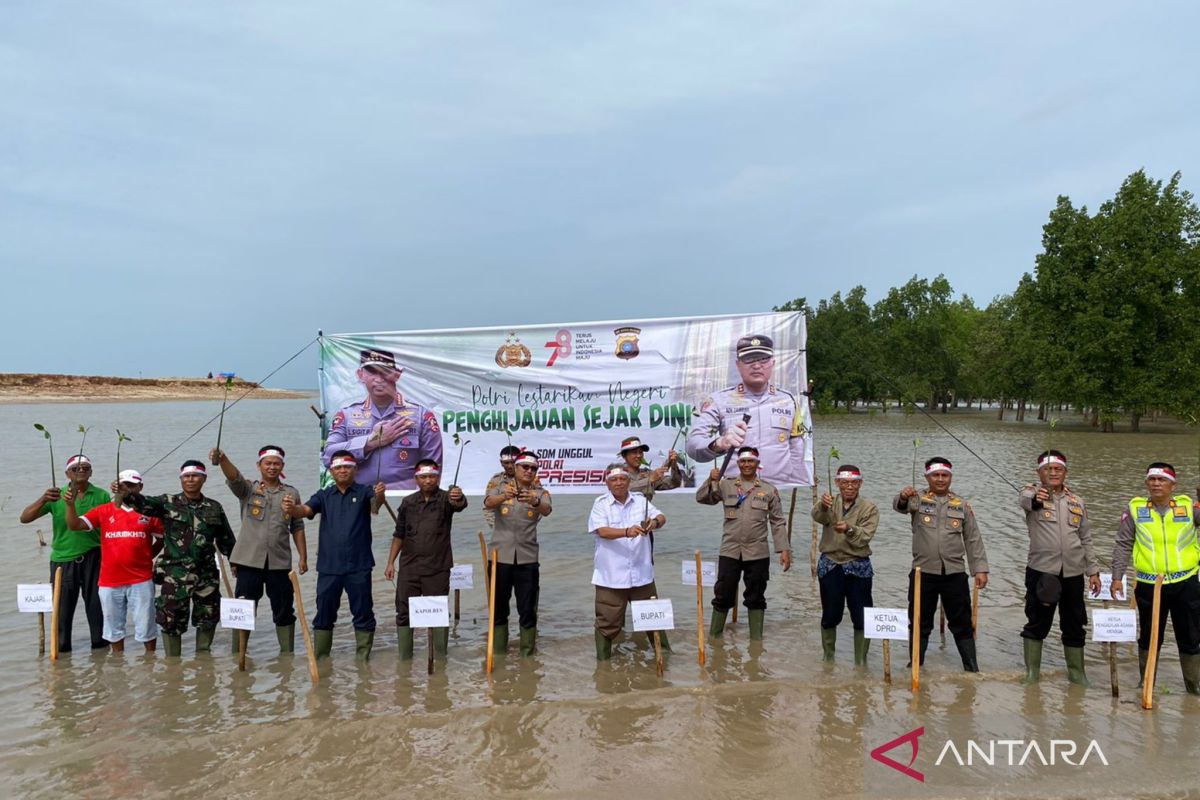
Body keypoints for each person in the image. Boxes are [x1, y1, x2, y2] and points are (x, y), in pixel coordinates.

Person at [124, 460, 237, 657]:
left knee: (208, 617)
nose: (191, 479)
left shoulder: (214, 507)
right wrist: (126, 494)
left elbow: (226, 539)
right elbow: (142, 504)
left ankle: (203, 660)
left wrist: (235, 562)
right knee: (171, 619)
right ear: (181, 479)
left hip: (206, 573)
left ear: (204, 479)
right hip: (175, 574)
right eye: (186, 476)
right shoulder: (167, 502)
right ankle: (172, 665)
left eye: (195, 476)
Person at [283, 451, 385, 661]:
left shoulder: (365, 492)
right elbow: (305, 510)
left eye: (347, 467)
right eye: (338, 467)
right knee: (324, 614)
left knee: (363, 612)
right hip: (329, 567)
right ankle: (321, 660)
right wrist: (292, 509)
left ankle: (363, 660)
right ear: (331, 471)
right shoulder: (324, 495)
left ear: (355, 469)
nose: (343, 470)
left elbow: (375, 508)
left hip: (359, 565)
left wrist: (380, 495)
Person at [1111, 462, 1200, 695]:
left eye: (1162, 480)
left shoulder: (1189, 507)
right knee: (1150, 635)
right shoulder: (1135, 508)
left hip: (1186, 583)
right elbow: (1123, 544)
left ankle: (1193, 686)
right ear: (1146, 483)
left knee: (1190, 635)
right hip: (1150, 584)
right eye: (1152, 480)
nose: (1156, 484)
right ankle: (1146, 681)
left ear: (1173, 484)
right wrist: (1117, 577)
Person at [894, 457, 989, 672]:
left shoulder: (961, 504)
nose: (940, 479)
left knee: (962, 622)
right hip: (922, 572)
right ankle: (916, 665)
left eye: (944, 475)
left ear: (950, 478)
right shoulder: (916, 499)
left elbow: (973, 538)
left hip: (954, 573)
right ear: (927, 477)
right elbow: (899, 506)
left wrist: (980, 569)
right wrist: (902, 496)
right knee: (919, 621)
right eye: (935, 475)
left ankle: (971, 668)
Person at [211, 445, 307, 655]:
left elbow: (297, 526)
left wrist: (303, 558)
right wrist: (223, 458)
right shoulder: (249, 489)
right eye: (268, 463)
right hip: (248, 563)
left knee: (284, 611)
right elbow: (234, 477)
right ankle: (240, 656)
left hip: (279, 563)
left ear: (282, 466)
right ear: (259, 465)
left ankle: (286, 658)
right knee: (244, 612)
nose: (272, 467)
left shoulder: (291, 493)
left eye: (276, 463)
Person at [1018, 450, 1100, 686]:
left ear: (1065, 472)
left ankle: (1077, 674)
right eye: (1048, 469)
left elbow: (1086, 538)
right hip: (1043, 571)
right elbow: (1026, 501)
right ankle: (1032, 673)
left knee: (1075, 623)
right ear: (1039, 472)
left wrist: (1093, 571)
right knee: (1037, 622)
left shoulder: (1077, 501)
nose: (1053, 473)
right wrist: (1037, 497)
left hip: (1073, 573)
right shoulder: (1032, 493)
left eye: (1058, 469)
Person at [685, 334, 811, 485]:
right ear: (738, 364)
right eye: (748, 359)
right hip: (737, 491)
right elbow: (693, 446)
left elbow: (797, 450)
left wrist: (799, 483)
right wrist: (720, 443)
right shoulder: (719, 401)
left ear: (773, 363)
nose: (756, 365)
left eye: (763, 359)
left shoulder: (789, 400)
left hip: (780, 489)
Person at [62, 469, 163, 653]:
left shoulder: (150, 512)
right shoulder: (104, 509)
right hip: (110, 581)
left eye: (131, 485)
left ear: (140, 487)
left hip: (141, 579)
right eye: (123, 485)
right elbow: (74, 525)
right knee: (113, 629)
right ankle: (118, 664)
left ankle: (150, 663)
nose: (126, 489)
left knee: (146, 627)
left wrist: (149, 556)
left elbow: (163, 539)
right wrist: (70, 505)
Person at [695, 446, 791, 640]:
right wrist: (711, 480)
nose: (747, 465)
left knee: (756, 596)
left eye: (751, 461)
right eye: (743, 461)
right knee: (722, 594)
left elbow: (778, 521)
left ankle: (756, 643)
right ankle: (715, 641)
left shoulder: (768, 490)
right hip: (730, 550)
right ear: (738, 464)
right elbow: (703, 498)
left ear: (757, 464)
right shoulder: (726, 485)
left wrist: (784, 549)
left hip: (758, 552)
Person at [19, 454, 111, 653]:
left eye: (86, 467)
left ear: (91, 472)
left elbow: (109, 527)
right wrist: (43, 498)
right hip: (63, 560)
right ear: (67, 473)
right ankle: (62, 658)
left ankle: (101, 656)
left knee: (96, 608)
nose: (82, 471)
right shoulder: (56, 495)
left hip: (94, 557)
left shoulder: (102, 495)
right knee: (62, 612)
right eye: (76, 468)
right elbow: (24, 518)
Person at [322, 348, 443, 490]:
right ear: (361, 375)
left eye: (385, 372)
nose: (379, 379)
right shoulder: (346, 415)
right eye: (372, 371)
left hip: (407, 501)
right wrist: (370, 442)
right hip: (358, 500)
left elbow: (434, 467)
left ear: (397, 374)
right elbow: (328, 457)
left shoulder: (422, 416)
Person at [383, 460, 468, 659]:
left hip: (438, 568)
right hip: (409, 568)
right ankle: (405, 660)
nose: (428, 480)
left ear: (437, 478)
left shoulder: (447, 499)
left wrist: (459, 496)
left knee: (438, 612)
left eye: (431, 477)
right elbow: (399, 534)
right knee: (403, 612)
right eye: (423, 477)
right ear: (416, 479)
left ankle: (441, 660)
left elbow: (460, 504)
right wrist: (390, 563)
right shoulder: (408, 502)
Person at [587, 464, 668, 660]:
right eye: (614, 480)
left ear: (629, 482)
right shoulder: (600, 504)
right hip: (611, 576)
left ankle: (665, 658)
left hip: (642, 574)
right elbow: (601, 531)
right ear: (607, 484)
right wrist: (626, 531)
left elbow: (661, 516)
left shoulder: (640, 501)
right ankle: (603, 664)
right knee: (607, 623)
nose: (619, 483)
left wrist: (654, 523)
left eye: (622, 479)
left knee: (652, 618)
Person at [482, 449, 552, 656]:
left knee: (527, 610)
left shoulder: (539, 492)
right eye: (525, 467)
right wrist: (504, 496)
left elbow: (547, 510)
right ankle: (499, 655)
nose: (529, 471)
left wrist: (534, 501)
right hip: (499, 558)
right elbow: (487, 503)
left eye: (533, 468)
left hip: (527, 559)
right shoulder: (500, 487)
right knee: (498, 610)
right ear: (516, 467)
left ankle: (527, 658)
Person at [811, 464, 878, 665]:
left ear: (860, 484)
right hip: (831, 564)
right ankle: (828, 658)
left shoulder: (869, 508)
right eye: (845, 482)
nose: (850, 487)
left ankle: (860, 661)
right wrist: (823, 505)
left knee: (862, 615)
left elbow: (864, 538)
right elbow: (817, 517)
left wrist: (849, 529)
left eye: (854, 483)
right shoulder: (829, 501)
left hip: (858, 565)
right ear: (838, 483)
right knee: (830, 614)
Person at [617, 436, 681, 501]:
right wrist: (650, 479)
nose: (639, 456)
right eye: (634, 452)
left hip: (645, 511)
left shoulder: (647, 473)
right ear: (624, 455)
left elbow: (674, 483)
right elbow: (623, 489)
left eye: (640, 452)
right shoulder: (617, 474)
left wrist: (673, 465)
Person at [483, 445, 522, 530]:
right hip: (501, 530)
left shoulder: (530, 478)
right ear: (501, 463)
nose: (510, 466)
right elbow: (488, 504)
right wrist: (496, 528)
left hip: (525, 530)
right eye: (506, 463)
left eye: (513, 462)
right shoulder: (496, 480)